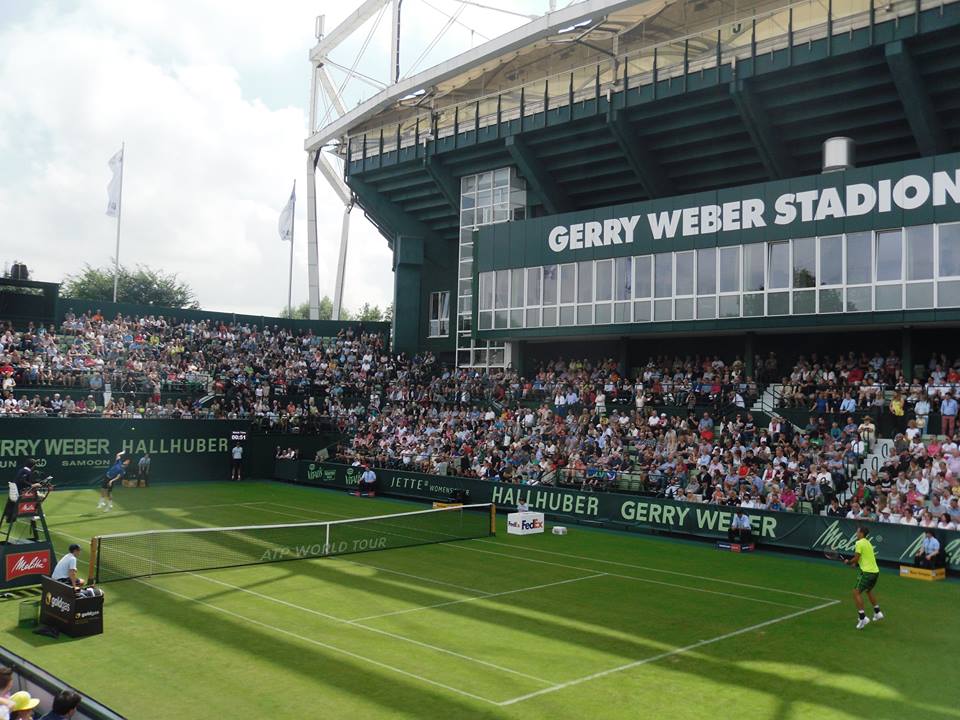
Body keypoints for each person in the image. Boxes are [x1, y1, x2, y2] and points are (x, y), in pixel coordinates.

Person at [844, 526, 883, 630]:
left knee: (856, 592)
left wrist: (849, 562)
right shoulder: (868, 543)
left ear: (861, 533)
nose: (856, 533)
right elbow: (864, 558)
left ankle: (862, 618)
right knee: (868, 590)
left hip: (867, 573)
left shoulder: (859, 543)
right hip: (875, 572)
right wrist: (855, 564)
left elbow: (857, 557)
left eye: (857, 531)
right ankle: (877, 612)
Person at [4, 459, 40, 525]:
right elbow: (22, 481)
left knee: (36, 495)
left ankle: (32, 514)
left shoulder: (22, 470)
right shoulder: (27, 471)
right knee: (40, 496)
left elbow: (24, 481)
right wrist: (32, 485)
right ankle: (32, 514)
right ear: (33, 466)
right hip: (20, 494)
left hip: (16, 493)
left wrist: (34, 484)